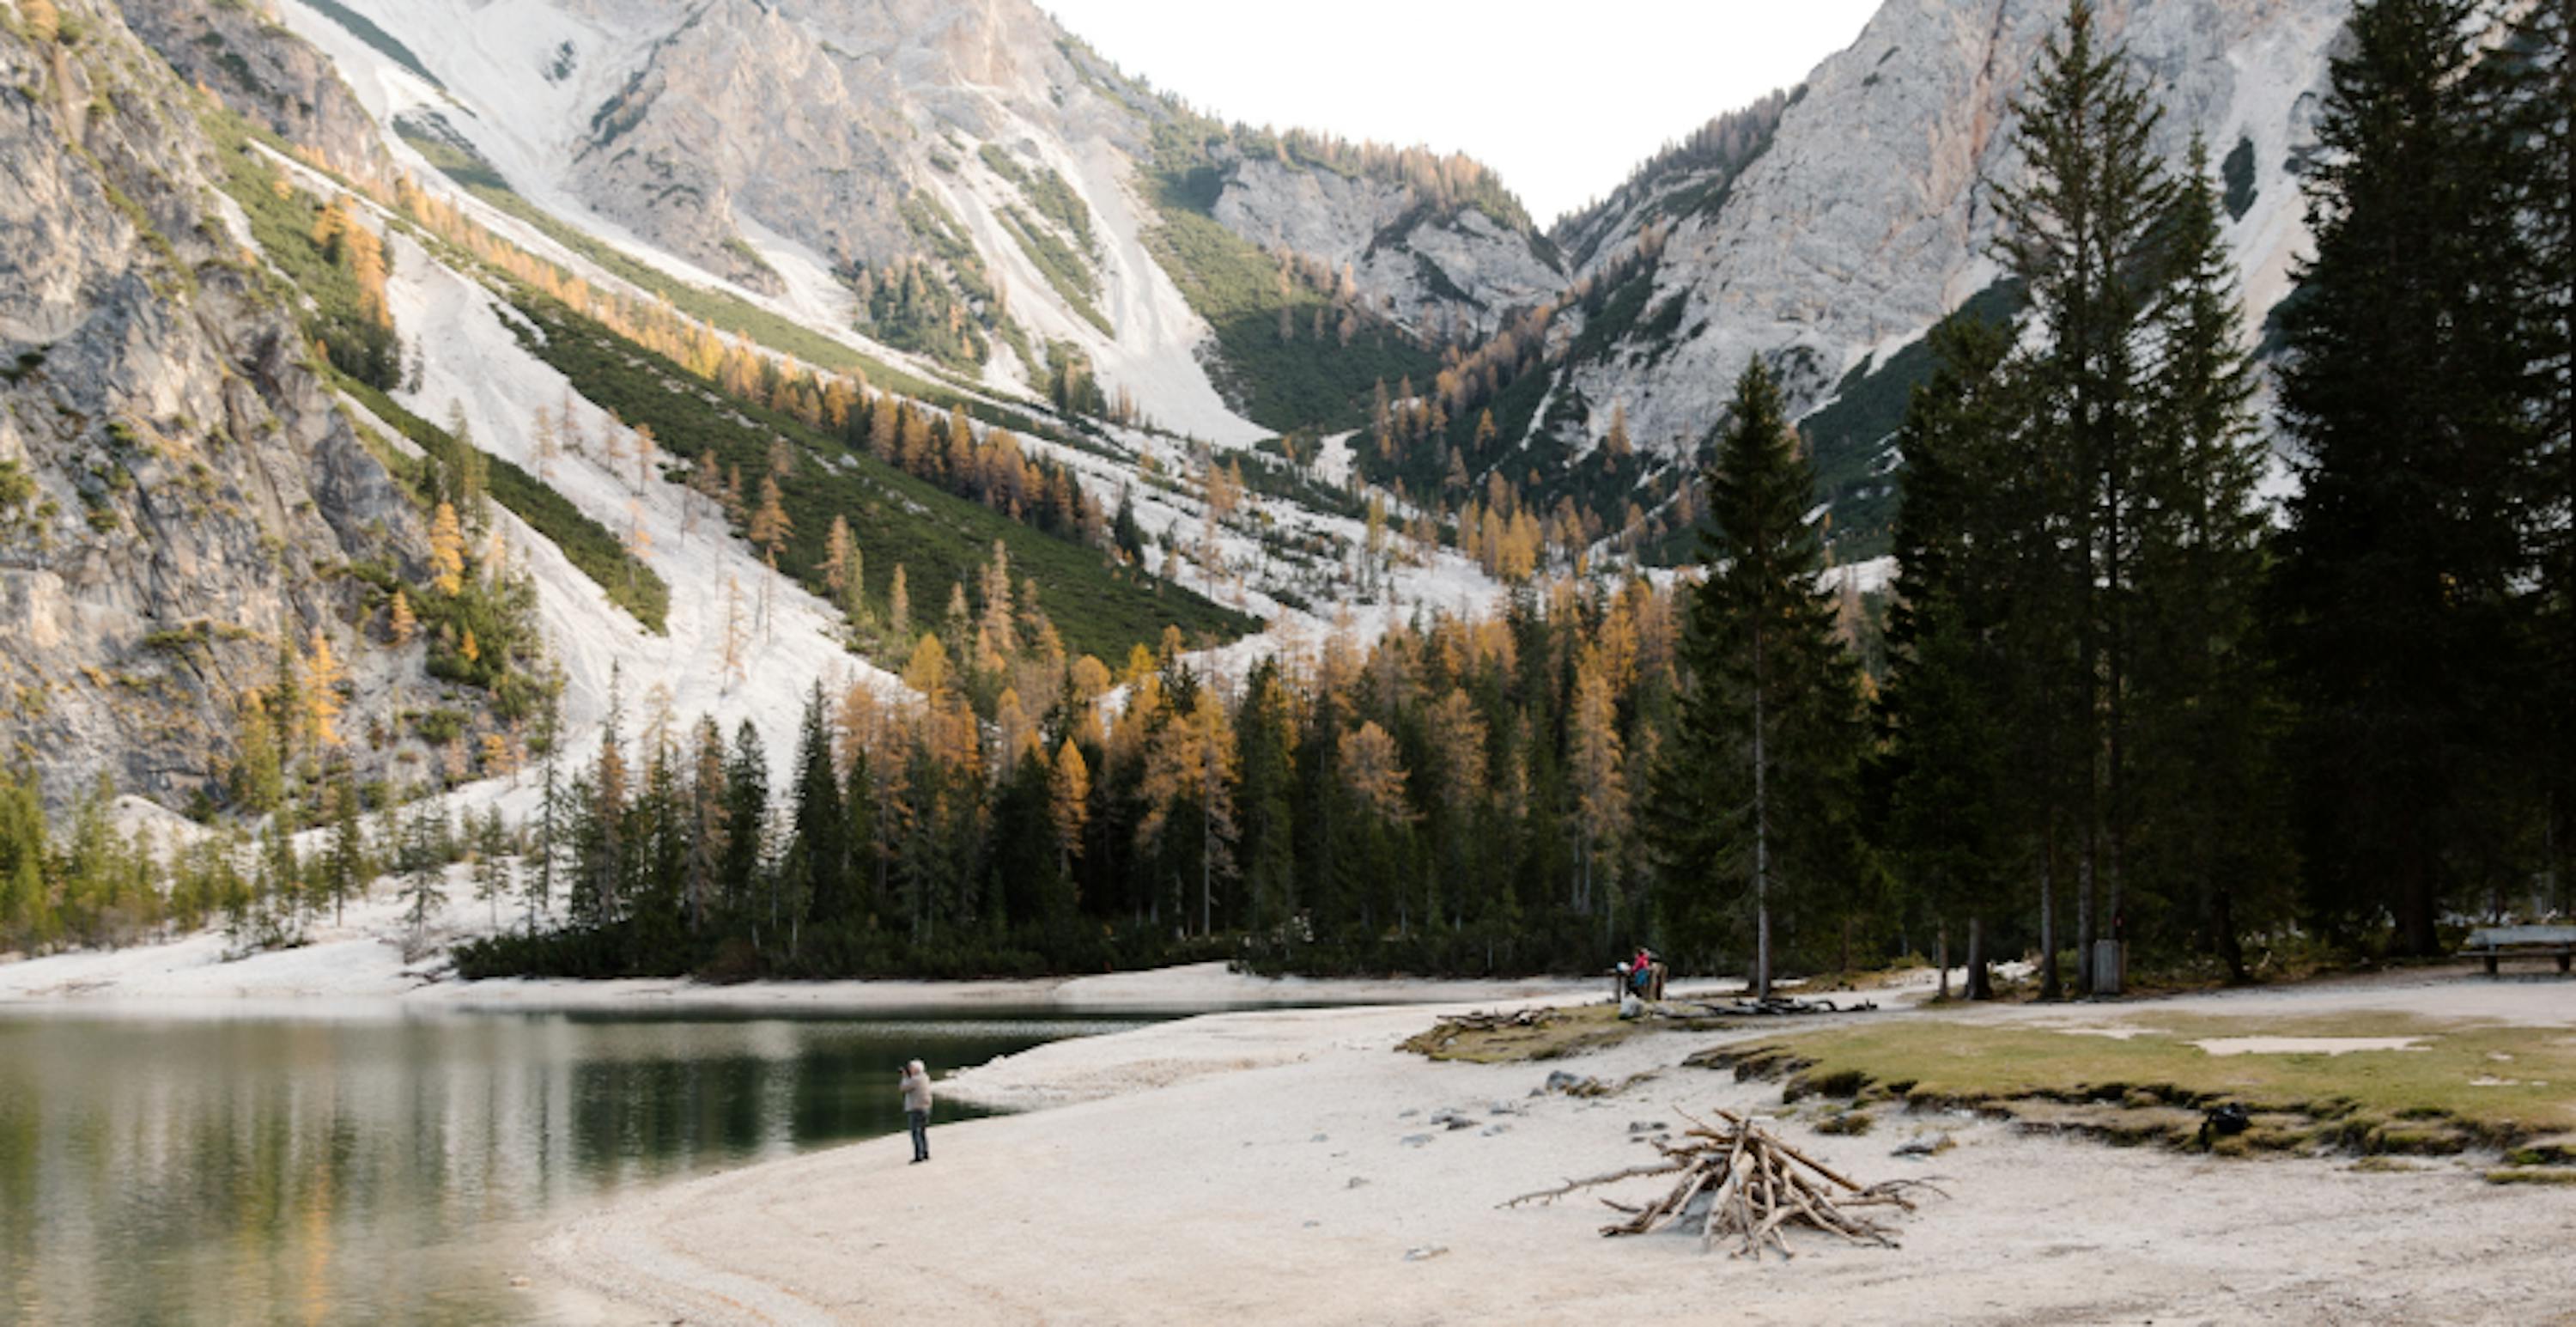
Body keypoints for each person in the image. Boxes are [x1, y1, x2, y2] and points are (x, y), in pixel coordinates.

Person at [900, 1059, 933, 1164]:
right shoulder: (925, 1077)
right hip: (925, 1108)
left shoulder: (915, 1080)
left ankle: (919, 1156)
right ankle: (925, 1153)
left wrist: (905, 1077)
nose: (909, 1069)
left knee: (915, 1133)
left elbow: (903, 1088)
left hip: (916, 1108)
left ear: (916, 1069)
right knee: (922, 1132)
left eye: (911, 1067)